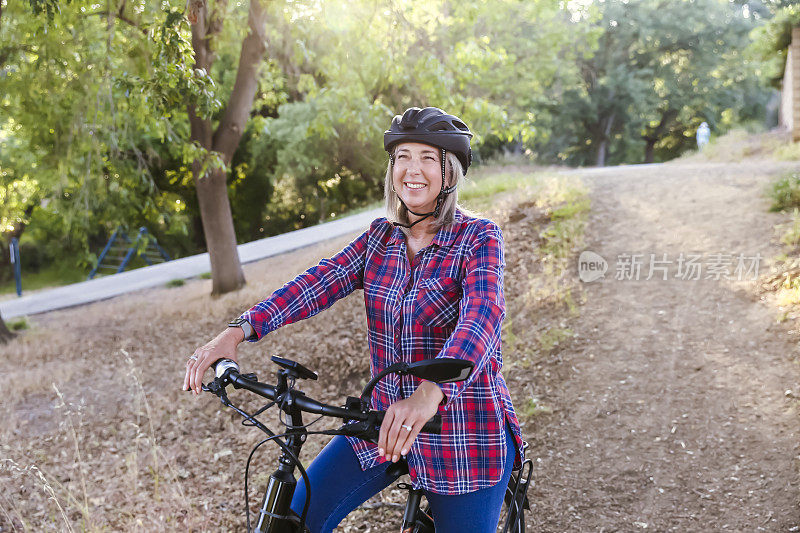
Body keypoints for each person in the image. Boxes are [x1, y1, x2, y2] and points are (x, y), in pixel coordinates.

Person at [183, 107, 524, 533]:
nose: (412, 169)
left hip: (462, 431)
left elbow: (482, 319)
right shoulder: (380, 237)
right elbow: (317, 283)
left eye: (427, 158)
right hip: (382, 420)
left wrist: (429, 393)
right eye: (402, 157)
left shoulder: (478, 237)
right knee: (294, 520)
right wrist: (239, 330)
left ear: (449, 173)